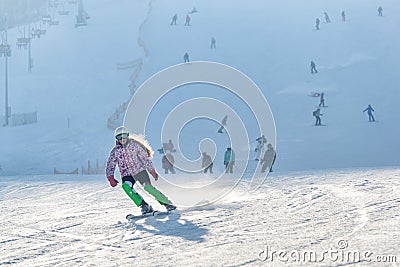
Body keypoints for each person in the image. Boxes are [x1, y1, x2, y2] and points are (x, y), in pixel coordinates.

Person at [106, 126, 176, 215]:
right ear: (117, 139)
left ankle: (166, 203)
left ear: (127, 136)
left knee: (148, 187)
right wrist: (110, 177)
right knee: (126, 186)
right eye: (119, 137)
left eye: (124, 136)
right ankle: (144, 205)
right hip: (127, 175)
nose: (122, 139)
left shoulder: (135, 146)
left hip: (140, 171)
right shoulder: (115, 151)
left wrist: (151, 170)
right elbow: (110, 164)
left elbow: (145, 159)